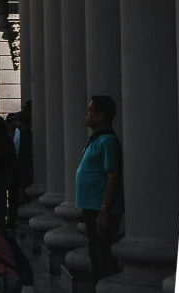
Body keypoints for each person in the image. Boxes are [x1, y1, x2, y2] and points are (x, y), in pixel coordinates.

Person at [75, 96, 124, 285]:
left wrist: (104, 210)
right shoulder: (96, 139)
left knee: (103, 255)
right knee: (95, 252)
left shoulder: (107, 141)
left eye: (90, 110)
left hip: (102, 209)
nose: (86, 114)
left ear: (101, 116)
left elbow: (113, 176)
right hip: (92, 207)